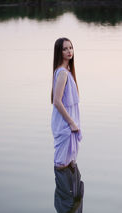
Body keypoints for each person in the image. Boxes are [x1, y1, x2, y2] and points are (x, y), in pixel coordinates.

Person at [51, 37, 82, 169]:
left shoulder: (67, 71)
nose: (69, 51)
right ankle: (63, 189)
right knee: (62, 164)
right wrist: (71, 123)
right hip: (65, 124)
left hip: (69, 122)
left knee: (69, 165)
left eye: (70, 47)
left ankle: (68, 189)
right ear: (59, 52)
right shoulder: (62, 73)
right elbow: (57, 102)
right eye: (65, 49)